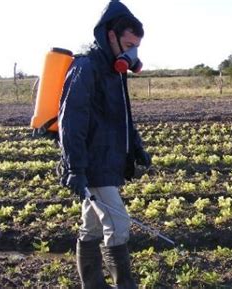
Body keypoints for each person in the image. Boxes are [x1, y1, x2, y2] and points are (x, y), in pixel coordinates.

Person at [58, 1, 151, 288]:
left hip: (108, 162)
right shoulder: (85, 68)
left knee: (93, 225)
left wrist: (136, 147)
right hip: (92, 165)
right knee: (118, 224)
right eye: (128, 44)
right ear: (110, 35)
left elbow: (123, 117)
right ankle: (124, 284)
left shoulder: (115, 71)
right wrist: (75, 168)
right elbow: (70, 122)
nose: (131, 53)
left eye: (135, 46)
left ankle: (92, 283)